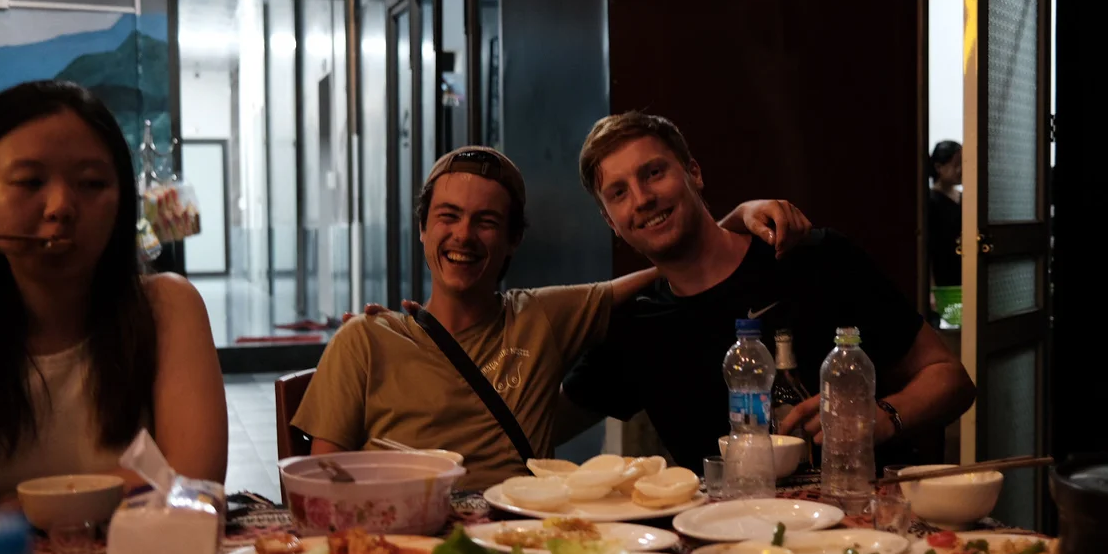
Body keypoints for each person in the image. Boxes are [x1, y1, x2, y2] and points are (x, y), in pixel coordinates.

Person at [291, 146, 811, 490]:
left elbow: (674, 263)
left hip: (521, 533)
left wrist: (735, 216)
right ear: (423, 228)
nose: (464, 236)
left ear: (514, 238)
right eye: (447, 217)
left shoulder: (542, 315)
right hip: (403, 537)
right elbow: (319, 482)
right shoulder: (364, 338)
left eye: (487, 222)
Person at [562, 112, 975, 471]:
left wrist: (884, 417)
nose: (643, 198)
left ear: (694, 173)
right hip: (723, 549)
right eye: (619, 192)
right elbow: (537, 422)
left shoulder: (812, 257)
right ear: (610, 220)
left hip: (855, 529)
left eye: (654, 172)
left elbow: (951, 379)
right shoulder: (636, 326)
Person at [0, 81, 227, 509]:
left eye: (91, 183)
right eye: (30, 181)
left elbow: (195, 483)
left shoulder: (167, 308)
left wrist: (20, 504)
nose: (60, 206)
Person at [927, 141, 962, 308]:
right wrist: (931, 289)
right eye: (956, 164)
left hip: (962, 273)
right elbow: (928, 249)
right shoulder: (930, 201)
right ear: (939, 167)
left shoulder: (963, 198)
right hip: (942, 277)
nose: (961, 170)